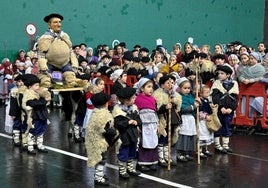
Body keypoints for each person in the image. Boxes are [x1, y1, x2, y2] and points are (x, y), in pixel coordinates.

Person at [85, 92, 117, 186]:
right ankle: (98, 177)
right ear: (105, 103)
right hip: (99, 141)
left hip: (94, 140)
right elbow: (105, 129)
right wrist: (114, 132)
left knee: (99, 158)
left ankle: (99, 174)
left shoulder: (95, 112)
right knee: (101, 159)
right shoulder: (103, 115)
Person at [37, 13, 78, 83]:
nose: (59, 24)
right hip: (50, 64)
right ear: (49, 24)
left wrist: (74, 64)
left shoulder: (65, 36)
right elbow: (41, 54)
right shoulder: (45, 38)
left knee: (71, 78)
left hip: (65, 64)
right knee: (45, 80)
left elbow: (71, 51)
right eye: (55, 22)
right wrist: (43, 67)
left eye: (60, 22)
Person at [112, 87, 141, 179]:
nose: (134, 99)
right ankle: (122, 170)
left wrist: (137, 122)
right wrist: (127, 122)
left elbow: (138, 118)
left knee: (132, 152)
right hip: (124, 135)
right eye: (132, 98)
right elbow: (117, 123)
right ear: (126, 100)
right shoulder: (118, 111)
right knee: (123, 152)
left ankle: (130, 168)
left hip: (133, 134)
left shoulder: (134, 108)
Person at [153, 75, 182, 166]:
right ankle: (161, 158)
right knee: (162, 138)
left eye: (172, 83)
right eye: (168, 83)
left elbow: (178, 108)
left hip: (172, 120)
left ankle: (167, 156)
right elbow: (157, 109)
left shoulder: (176, 95)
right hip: (163, 120)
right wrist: (165, 107)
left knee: (168, 139)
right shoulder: (158, 95)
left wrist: (174, 102)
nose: (171, 85)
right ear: (162, 85)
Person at [210, 65, 239, 154]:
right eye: (219, 73)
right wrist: (221, 107)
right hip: (219, 110)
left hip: (229, 111)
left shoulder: (234, 84)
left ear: (228, 75)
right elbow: (215, 97)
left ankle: (225, 145)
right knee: (218, 126)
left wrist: (231, 108)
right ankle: (217, 145)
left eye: (222, 74)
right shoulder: (216, 84)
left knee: (227, 126)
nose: (219, 75)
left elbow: (235, 98)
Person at [22, 74, 51, 154]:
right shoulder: (28, 94)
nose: (38, 87)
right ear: (29, 86)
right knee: (33, 131)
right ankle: (30, 147)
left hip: (42, 115)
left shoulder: (38, 93)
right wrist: (44, 101)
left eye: (38, 85)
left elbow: (45, 100)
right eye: (36, 85)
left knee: (41, 131)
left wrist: (46, 93)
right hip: (34, 116)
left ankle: (40, 145)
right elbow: (33, 103)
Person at [134, 78, 159, 172]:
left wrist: (157, 124)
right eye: (148, 87)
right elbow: (136, 113)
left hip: (153, 123)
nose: (151, 89)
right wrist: (138, 125)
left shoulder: (152, 99)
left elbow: (155, 112)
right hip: (144, 125)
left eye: (152, 87)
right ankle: (143, 162)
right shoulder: (138, 99)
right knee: (144, 143)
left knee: (153, 142)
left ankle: (152, 161)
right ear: (141, 88)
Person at [176, 77, 199, 162]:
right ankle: (180, 153)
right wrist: (193, 106)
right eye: (185, 88)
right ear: (180, 88)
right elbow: (182, 108)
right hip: (184, 118)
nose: (187, 90)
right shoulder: (179, 97)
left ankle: (187, 152)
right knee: (183, 136)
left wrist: (198, 102)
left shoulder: (191, 96)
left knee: (190, 136)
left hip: (191, 118)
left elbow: (197, 105)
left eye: (189, 88)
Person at [8, 74, 27, 147]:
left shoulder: (26, 90)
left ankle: (23, 137)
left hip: (24, 110)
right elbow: (12, 104)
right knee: (17, 123)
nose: (21, 83)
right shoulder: (14, 91)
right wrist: (13, 113)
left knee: (24, 124)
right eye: (19, 81)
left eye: (22, 81)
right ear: (16, 83)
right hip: (17, 110)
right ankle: (16, 137)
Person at [199, 86, 214, 159]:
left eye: (209, 92)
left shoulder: (207, 100)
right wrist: (205, 116)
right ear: (201, 93)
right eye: (206, 92)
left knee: (207, 135)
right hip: (202, 121)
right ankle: (199, 151)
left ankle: (205, 149)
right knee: (202, 136)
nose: (208, 94)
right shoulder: (200, 101)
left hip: (207, 121)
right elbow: (199, 111)